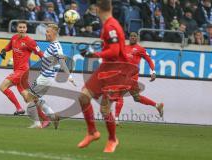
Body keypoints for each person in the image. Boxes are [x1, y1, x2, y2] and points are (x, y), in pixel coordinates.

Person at [77, 0, 137, 153]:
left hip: (117, 70)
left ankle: (112, 139)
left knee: (105, 108)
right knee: (83, 97)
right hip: (106, 67)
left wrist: (94, 54)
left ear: (97, 9)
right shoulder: (109, 25)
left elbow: (115, 51)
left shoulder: (111, 26)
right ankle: (92, 132)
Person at [26, 23, 76, 129]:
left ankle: (37, 123)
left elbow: (62, 62)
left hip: (46, 77)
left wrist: (69, 76)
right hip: (44, 76)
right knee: (35, 98)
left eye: (48, 32)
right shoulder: (53, 45)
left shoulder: (56, 46)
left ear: (53, 33)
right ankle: (53, 116)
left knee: (29, 97)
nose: (46, 33)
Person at [115, 32, 164, 124]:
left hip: (132, 76)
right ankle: (157, 105)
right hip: (123, 75)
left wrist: (153, 71)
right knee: (137, 98)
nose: (133, 38)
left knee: (119, 94)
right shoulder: (124, 47)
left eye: (135, 36)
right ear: (129, 37)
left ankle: (116, 119)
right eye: (131, 36)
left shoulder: (140, 49)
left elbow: (149, 60)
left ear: (137, 38)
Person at [0, 20, 43, 115]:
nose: (22, 29)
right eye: (20, 27)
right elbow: (9, 47)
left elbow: (40, 53)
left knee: (2, 87)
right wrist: (3, 51)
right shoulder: (14, 38)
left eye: (24, 27)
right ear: (17, 28)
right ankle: (44, 113)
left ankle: (19, 108)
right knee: (27, 97)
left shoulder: (30, 41)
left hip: (22, 71)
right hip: (17, 71)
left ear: (26, 29)